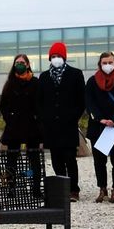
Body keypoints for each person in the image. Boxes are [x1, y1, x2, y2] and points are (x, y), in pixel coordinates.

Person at [37, 42, 86, 201]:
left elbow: (81, 100)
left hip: (69, 124)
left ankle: (73, 189)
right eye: (53, 56)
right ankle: (62, 188)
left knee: (70, 158)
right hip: (51, 126)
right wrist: (44, 118)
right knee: (56, 158)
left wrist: (74, 116)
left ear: (64, 57)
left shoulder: (76, 74)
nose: (56, 59)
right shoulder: (44, 77)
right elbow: (40, 101)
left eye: (59, 56)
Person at [84, 51, 114, 203]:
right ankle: (102, 188)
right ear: (100, 64)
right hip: (98, 126)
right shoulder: (92, 81)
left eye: (110, 62)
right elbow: (89, 103)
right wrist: (99, 118)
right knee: (99, 160)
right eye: (104, 63)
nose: (108, 65)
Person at [0, 54, 43, 192]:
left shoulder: (35, 82)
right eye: (17, 62)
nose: (19, 64)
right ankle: (11, 188)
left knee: (34, 158)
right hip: (14, 127)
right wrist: (9, 118)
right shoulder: (10, 83)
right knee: (11, 159)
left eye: (22, 62)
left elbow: (41, 104)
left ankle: (36, 188)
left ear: (28, 64)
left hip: (32, 126)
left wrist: (37, 119)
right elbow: (3, 105)